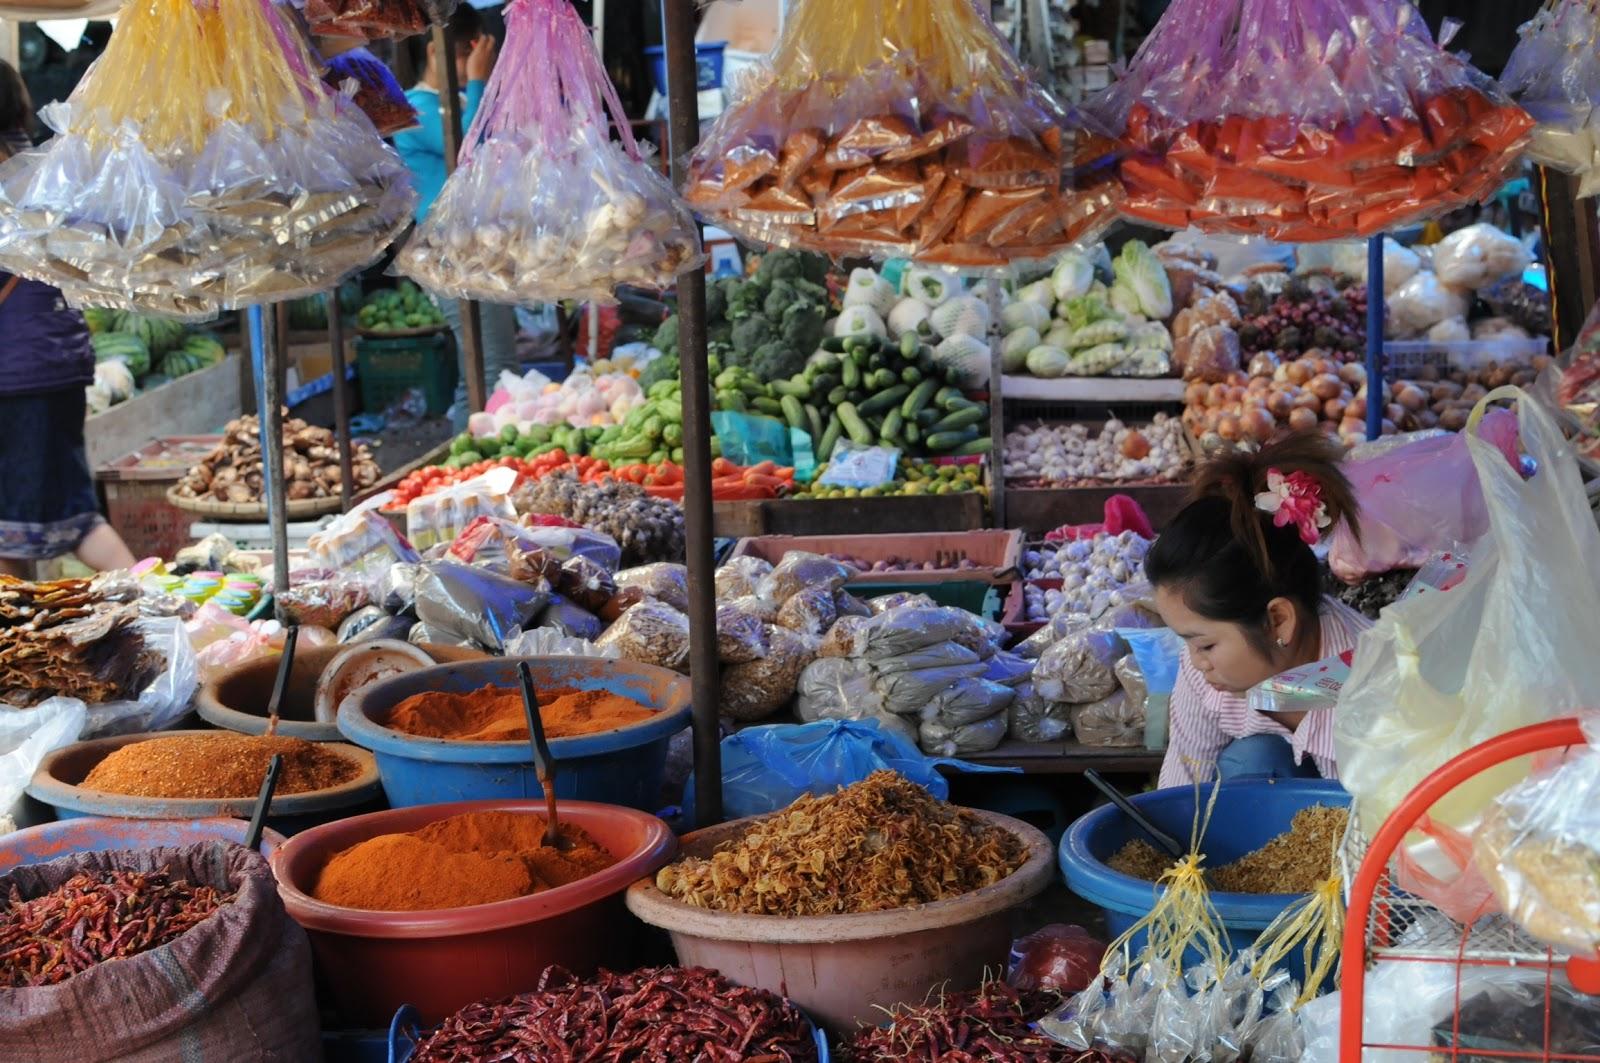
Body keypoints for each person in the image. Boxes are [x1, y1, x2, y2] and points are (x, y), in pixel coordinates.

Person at [1144, 433, 1371, 787]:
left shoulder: (1369, 686)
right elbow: (1185, 777)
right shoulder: (1204, 668)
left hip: (1369, 810)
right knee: (1255, 761)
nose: (1195, 660)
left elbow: (1380, 819)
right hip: (1274, 769)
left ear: (1278, 620)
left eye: (1205, 645)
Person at [0, 60, 136, 578]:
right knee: (17, 518)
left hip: (18, 376)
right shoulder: (43, 170)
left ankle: (156, 609)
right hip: (55, 360)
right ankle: (18, 644)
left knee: (74, 519)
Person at [394, 8, 520, 431]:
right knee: (489, 368)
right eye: (472, 52)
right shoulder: (414, 110)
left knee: (493, 366)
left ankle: (474, 463)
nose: (478, 63)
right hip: (451, 256)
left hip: (477, 252)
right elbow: (467, 147)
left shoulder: (459, 102)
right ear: (437, 52)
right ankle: (470, 466)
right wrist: (482, 78)